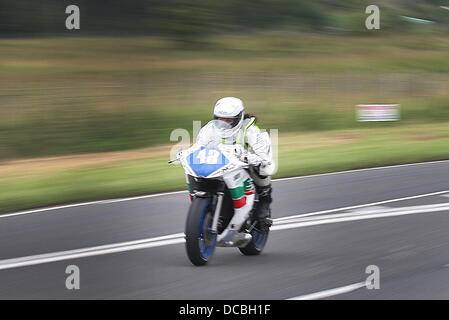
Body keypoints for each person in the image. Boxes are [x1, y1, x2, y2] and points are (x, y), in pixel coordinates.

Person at [186, 97, 275, 232]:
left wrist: (253, 157)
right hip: (219, 165)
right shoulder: (209, 128)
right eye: (220, 119)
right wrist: (187, 153)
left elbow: (262, 154)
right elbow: (198, 147)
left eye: (229, 120)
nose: (223, 123)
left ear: (239, 118)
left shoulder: (250, 130)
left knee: (263, 168)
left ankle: (264, 200)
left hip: (244, 164)